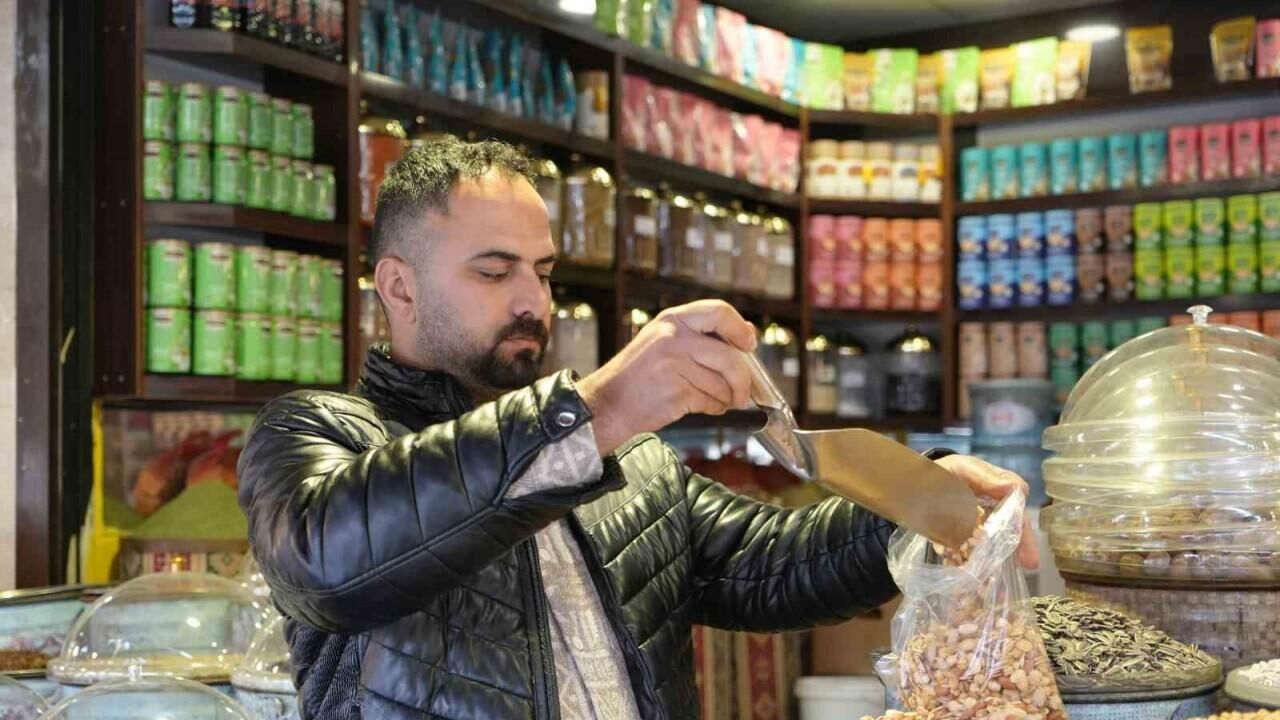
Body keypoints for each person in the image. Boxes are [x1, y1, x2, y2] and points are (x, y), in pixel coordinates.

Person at [237, 137, 1038, 720]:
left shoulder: (627, 460)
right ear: (399, 288)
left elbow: (768, 565)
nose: (533, 301)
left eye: (542, 272)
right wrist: (603, 408)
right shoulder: (317, 435)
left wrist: (918, 499)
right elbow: (329, 565)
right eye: (494, 271)